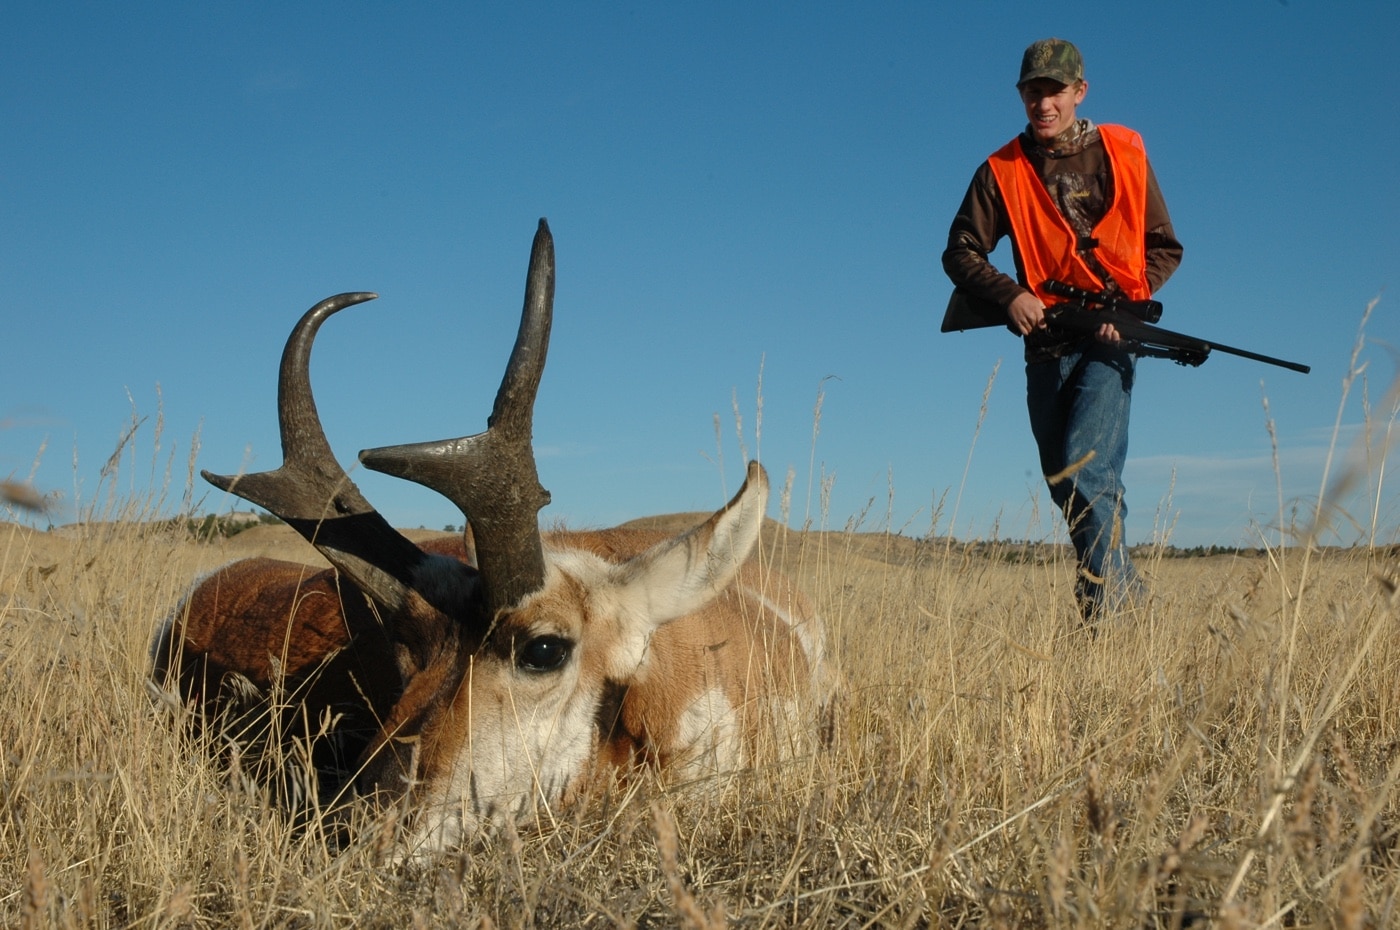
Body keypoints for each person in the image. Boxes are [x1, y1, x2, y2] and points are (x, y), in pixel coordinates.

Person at [942, 38, 1183, 623]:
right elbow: (960, 252)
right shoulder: (1000, 170)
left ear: (1080, 92)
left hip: (1109, 342)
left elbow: (1164, 248)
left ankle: (1106, 619)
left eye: (1054, 90)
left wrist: (1127, 306)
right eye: (1032, 90)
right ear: (1021, 95)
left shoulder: (1123, 153)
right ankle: (1128, 599)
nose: (1043, 102)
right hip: (1045, 344)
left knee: (1087, 468)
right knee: (1066, 481)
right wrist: (1011, 296)